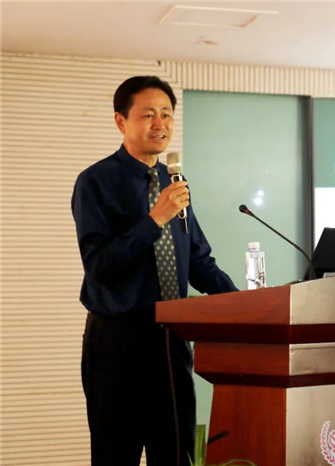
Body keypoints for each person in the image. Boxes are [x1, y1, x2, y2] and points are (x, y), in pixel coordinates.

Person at [71, 75, 238, 466]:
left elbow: (198, 260)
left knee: (177, 454)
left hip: (171, 340)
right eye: (148, 114)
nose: (160, 123)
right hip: (117, 341)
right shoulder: (95, 182)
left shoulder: (173, 182)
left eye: (166, 114)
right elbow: (100, 268)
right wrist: (155, 219)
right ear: (121, 121)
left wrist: (246, 305)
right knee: (115, 456)